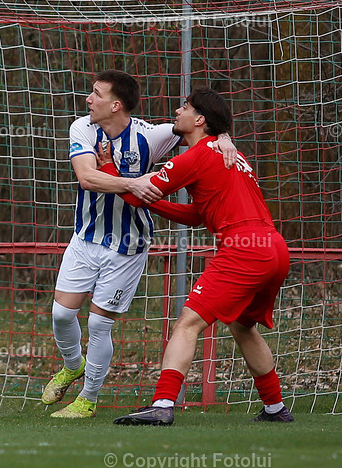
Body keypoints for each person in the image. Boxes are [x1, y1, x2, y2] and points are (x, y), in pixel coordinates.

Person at [42, 70, 235, 419]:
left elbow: (201, 127)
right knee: (61, 314)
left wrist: (224, 137)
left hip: (128, 246)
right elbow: (86, 176)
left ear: (116, 105)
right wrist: (133, 184)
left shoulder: (152, 135)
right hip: (86, 238)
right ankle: (73, 365)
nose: (89, 99)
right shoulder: (82, 127)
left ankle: (87, 401)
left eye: (96, 94)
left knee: (100, 325)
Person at [111, 88, 293, 426]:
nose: (177, 111)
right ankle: (275, 408)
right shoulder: (234, 156)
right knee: (243, 326)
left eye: (185, 107)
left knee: (187, 324)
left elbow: (138, 196)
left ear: (199, 119)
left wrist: (109, 168)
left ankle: (163, 404)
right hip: (274, 247)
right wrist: (150, 199)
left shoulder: (191, 157)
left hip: (243, 248)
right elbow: (198, 216)